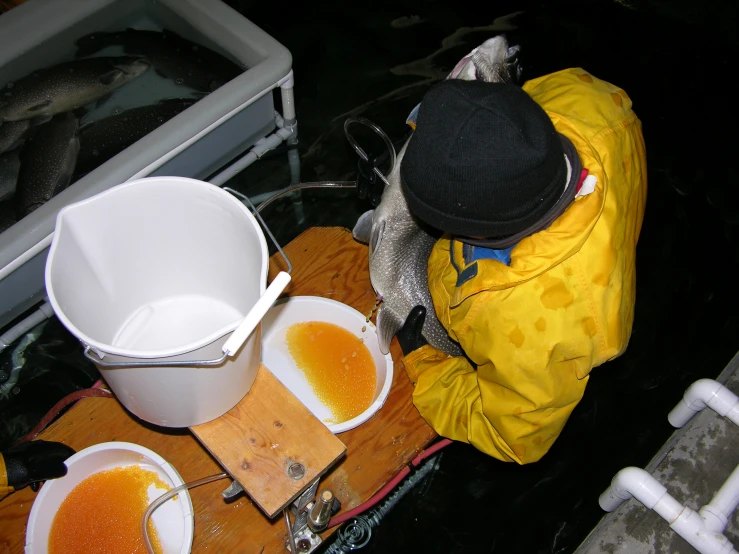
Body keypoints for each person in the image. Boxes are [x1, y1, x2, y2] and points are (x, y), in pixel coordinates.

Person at [395, 68, 647, 464]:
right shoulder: (583, 96)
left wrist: (430, 368)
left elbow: (514, 436)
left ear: (476, 232)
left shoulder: (527, 327)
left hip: (561, 317)